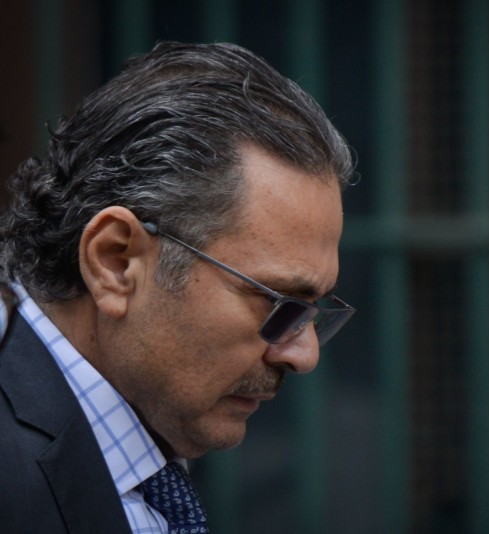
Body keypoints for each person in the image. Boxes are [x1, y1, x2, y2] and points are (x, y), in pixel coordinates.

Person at [0, 41, 356, 533]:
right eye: (276, 301)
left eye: (312, 310)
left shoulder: (148, 458)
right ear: (116, 261)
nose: (304, 355)